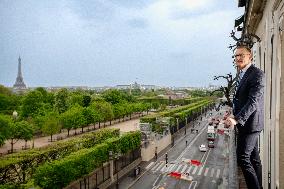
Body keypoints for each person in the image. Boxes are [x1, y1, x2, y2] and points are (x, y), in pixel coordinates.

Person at [225, 45, 265, 189]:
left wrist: (236, 119)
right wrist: (232, 114)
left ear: (250, 56)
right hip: (247, 123)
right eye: (236, 56)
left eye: (241, 55)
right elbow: (240, 100)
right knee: (254, 160)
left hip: (250, 124)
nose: (238, 58)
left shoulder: (257, 74)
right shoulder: (243, 73)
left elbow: (253, 102)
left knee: (242, 158)